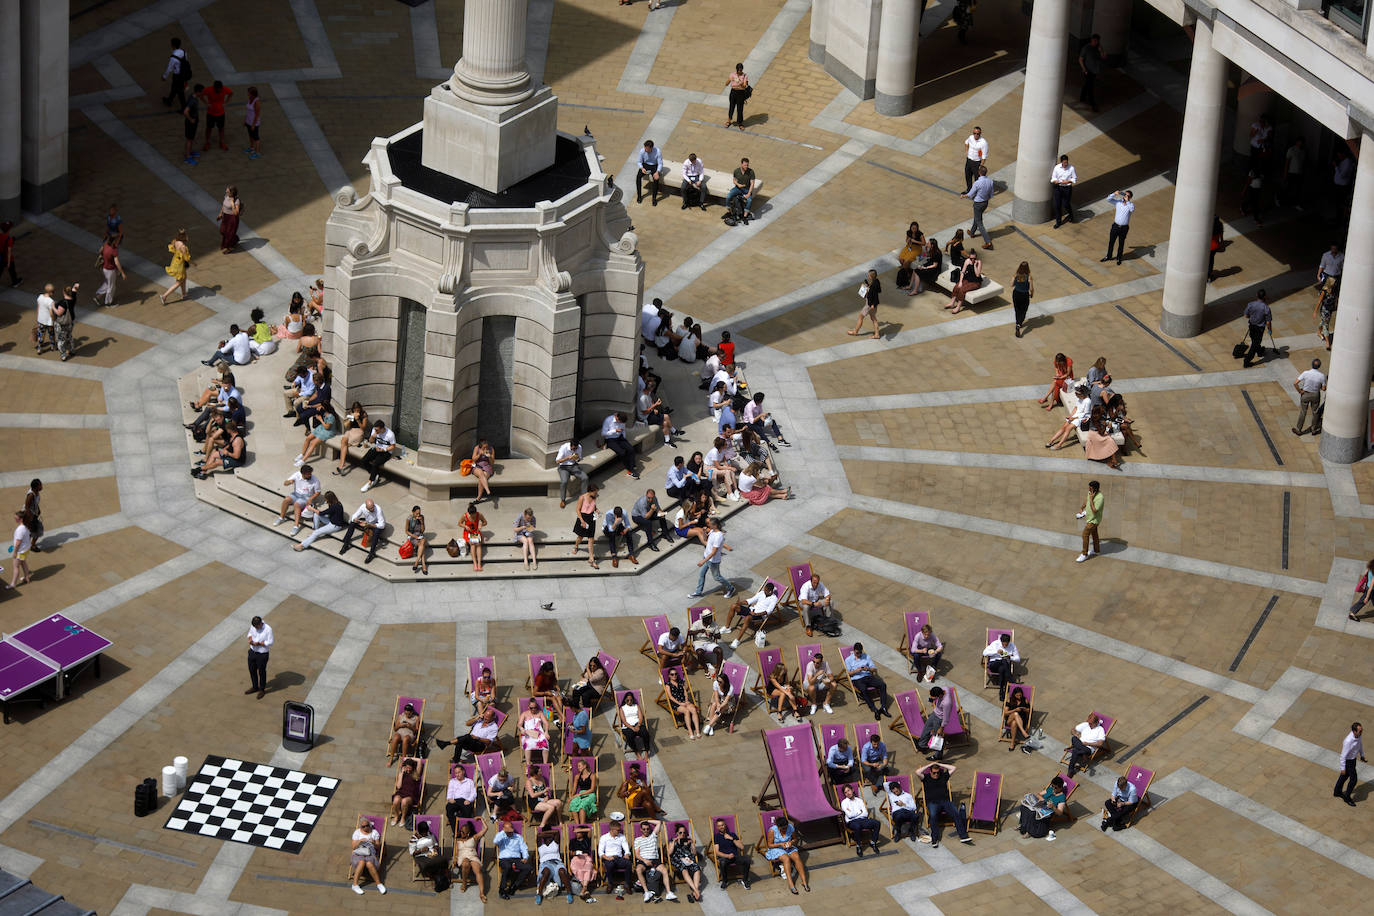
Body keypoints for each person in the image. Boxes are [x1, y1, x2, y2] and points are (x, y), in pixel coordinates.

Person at [918, 761, 972, 848]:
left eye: (938, 772)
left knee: (956, 813)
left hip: (945, 801)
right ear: (930, 772)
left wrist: (939, 764)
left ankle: (963, 836)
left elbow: (953, 768)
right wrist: (929, 765)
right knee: (933, 816)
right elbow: (917, 772)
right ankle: (935, 839)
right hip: (933, 803)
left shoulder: (943, 776)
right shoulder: (926, 778)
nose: (936, 774)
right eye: (934, 773)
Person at [632, 820, 678, 902]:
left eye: (647, 829)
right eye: (644, 829)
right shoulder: (637, 840)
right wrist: (645, 860)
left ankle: (669, 893)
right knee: (638, 869)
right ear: (641, 829)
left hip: (654, 859)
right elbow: (637, 855)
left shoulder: (653, 836)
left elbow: (659, 823)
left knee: (664, 870)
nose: (646, 830)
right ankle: (646, 892)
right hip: (643, 860)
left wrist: (646, 820)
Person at [689, 517, 735, 598]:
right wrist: (704, 532)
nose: (708, 525)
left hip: (713, 561)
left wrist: (703, 561)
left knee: (717, 577)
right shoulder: (712, 531)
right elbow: (705, 540)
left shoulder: (718, 536)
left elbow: (714, 552)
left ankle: (730, 588)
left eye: (709, 524)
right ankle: (698, 592)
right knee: (702, 574)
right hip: (707, 557)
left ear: (715, 525)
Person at [725, 580, 779, 648]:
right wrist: (740, 603)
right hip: (752, 610)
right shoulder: (761, 593)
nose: (764, 591)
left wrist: (756, 614)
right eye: (764, 589)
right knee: (733, 606)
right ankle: (727, 628)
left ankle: (737, 641)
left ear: (770, 591)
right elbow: (750, 600)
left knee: (747, 618)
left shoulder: (774, 599)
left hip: (760, 615)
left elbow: (768, 611)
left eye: (765, 590)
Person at [434, 706, 501, 760]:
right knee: (460, 742)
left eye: (487, 718)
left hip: (479, 745)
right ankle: (455, 759)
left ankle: (446, 743)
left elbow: (489, 742)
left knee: (466, 737)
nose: (485, 718)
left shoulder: (494, 728)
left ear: (492, 718)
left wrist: (478, 738)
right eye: (485, 716)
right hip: (470, 740)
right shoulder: (480, 720)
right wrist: (476, 719)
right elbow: (467, 724)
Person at [845, 642, 891, 719]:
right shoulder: (848, 660)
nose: (859, 654)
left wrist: (868, 669)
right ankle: (874, 709)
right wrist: (857, 670)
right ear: (854, 651)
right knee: (863, 690)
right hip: (857, 679)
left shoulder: (866, 656)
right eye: (857, 653)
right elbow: (848, 674)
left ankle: (883, 707)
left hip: (868, 676)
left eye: (860, 652)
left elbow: (874, 669)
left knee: (883, 685)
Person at [763, 814, 808, 894]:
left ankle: (804, 881)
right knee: (786, 858)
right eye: (783, 828)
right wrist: (780, 844)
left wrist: (791, 842)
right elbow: (769, 845)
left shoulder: (790, 827)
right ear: (778, 827)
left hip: (787, 847)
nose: (785, 830)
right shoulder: (772, 831)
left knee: (796, 857)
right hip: (776, 848)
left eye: (786, 828)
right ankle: (791, 884)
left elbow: (795, 839)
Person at [274, 465, 321, 535]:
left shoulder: (315, 480)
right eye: (308, 474)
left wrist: (311, 498)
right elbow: (285, 483)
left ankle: (296, 526)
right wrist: (289, 482)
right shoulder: (297, 475)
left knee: (297, 504)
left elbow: (318, 492)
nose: (310, 475)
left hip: (306, 497)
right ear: (303, 474)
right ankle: (281, 517)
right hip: (296, 494)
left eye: (310, 473)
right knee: (286, 500)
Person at [1017, 775, 1067, 840]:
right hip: (1040, 805)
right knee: (1024, 807)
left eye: (1056, 788)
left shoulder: (1062, 797)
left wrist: (1053, 807)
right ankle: (1023, 825)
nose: (1053, 789)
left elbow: (1060, 813)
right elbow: (1038, 794)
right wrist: (1042, 799)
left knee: (1032, 813)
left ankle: (1029, 831)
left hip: (1047, 811)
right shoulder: (1050, 789)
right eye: (1052, 786)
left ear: (1061, 788)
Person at [406, 820, 450, 893]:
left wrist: (435, 849)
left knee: (444, 859)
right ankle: (438, 877)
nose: (426, 834)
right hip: (421, 856)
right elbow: (412, 853)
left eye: (426, 832)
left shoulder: (430, 834)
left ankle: (440, 877)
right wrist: (421, 850)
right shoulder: (414, 838)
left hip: (432, 853)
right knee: (430, 863)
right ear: (420, 831)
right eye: (424, 833)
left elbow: (435, 844)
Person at [916, 685, 957, 761]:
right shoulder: (944, 688)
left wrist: (941, 728)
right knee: (926, 728)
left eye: (933, 697)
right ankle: (922, 746)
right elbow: (943, 690)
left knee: (937, 737)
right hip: (934, 714)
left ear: (939, 695)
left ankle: (938, 755)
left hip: (939, 719)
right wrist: (932, 699)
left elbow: (946, 717)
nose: (931, 698)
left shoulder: (947, 703)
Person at [339, 498, 386, 563]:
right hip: (367, 522)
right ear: (366, 507)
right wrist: (355, 519)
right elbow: (355, 515)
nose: (372, 509)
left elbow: (382, 525)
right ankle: (346, 544)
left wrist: (371, 525)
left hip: (375, 524)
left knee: (376, 533)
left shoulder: (378, 509)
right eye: (370, 508)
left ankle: (371, 553)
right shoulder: (363, 507)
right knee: (352, 523)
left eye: (373, 507)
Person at [839, 784, 882, 855]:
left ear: (852, 790)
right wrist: (859, 812)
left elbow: (865, 813)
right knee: (857, 826)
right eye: (845, 792)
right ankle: (858, 846)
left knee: (877, 823)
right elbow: (849, 815)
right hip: (852, 822)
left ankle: (873, 842)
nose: (848, 793)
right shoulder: (844, 803)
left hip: (863, 820)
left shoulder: (859, 800)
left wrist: (855, 813)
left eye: (848, 790)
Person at [533, 830, 574, 905]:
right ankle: (539, 893)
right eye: (547, 838)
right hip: (545, 863)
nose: (549, 839)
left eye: (550, 837)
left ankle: (569, 893)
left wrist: (546, 834)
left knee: (562, 871)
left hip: (557, 863)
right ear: (544, 839)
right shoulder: (540, 845)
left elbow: (557, 832)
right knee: (546, 872)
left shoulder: (555, 844)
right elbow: (538, 835)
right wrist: (550, 834)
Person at [494, 819, 532, 900]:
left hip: (516, 859)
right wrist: (504, 832)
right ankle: (502, 890)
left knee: (528, 868)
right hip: (504, 859)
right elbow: (495, 841)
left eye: (510, 828)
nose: (509, 831)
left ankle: (514, 886)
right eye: (507, 829)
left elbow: (524, 848)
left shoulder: (518, 837)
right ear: (503, 829)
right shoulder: (501, 837)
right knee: (507, 867)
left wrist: (525, 857)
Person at [349, 816, 386, 895]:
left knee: (369, 863)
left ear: (370, 825)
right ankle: (355, 885)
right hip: (358, 853)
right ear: (360, 827)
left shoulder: (374, 832)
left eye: (367, 825)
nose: (365, 828)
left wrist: (373, 843)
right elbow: (353, 847)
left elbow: (378, 847)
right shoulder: (357, 832)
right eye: (363, 826)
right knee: (361, 862)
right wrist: (360, 841)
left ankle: (379, 884)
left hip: (370, 853)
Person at [1046, 384, 1091, 450]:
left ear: (1082, 394)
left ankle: (1059, 445)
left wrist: (1074, 418)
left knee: (1068, 428)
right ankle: (1052, 440)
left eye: (1077, 393)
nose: (1075, 394)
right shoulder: (1079, 398)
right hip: (1076, 415)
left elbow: (1085, 413)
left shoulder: (1088, 401)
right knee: (1064, 427)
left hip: (1082, 418)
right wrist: (1071, 416)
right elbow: (1076, 407)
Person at [662, 667, 701, 740]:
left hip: (684, 701)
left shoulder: (681, 682)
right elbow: (670, 697)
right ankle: (690, 731)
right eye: (672, 674)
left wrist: (686, 701)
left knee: (693, 709)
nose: (674, 676)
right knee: (686, 711)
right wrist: (680, 703)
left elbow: (685, 692)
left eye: (675, 674)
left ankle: (697, 730)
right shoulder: (668, 685)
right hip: (676, 703)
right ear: (669, 676)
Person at [598, 816, 633, 900]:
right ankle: (610, 883)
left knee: (628, 863)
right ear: (612, 830)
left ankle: (627, 884)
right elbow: (600, 852)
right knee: (609, 865)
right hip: (609, 857)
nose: (619, 831)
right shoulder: (604, 837)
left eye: (619, 830)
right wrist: (607, 858)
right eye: (617, 830)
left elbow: (626, 848)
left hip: (619, 858)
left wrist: (627, 854)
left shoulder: (621, 837)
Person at [452, 819, 487, 901]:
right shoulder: (458, 840)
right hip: (462, 857)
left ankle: (482, 893)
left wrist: (481, 819)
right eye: (460, 831)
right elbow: (456, 852)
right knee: (465, 864)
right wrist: (455, 858)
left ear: (468, 833)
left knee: (478, 870)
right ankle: (464, 883)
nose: (461, 833)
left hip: (472, 856)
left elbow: (485, 829)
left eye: (463, 832)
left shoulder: (474, 837)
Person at [359, 421, 396, 492]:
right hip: (376, 448)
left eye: (377, 430)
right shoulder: (374, 430)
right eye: (375, 429)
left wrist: (384, 449)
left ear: (382, 428)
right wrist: (372, 436)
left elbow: (393, 446)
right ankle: (375, 475)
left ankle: (370, 482)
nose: (375, 431)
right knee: (364, 460)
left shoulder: (390, 434)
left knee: (375, 464)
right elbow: (370, 441)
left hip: (386, 451)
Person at [1293, 358, 1327, 436]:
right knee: (1315, 412)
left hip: (1305, 394)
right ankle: (1313, 430)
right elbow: (1323, 388)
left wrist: (1300, 391)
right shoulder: (1322, 376)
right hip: (1315, 395)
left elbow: (1295, 383)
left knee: (1303, 412)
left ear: (1312, 364)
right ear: (1319, 366)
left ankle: (1298, 429)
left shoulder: (1306, 373)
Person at [982, 632, 1020, 701]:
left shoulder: (1012, 645)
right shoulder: (995, 644)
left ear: (1009, 642)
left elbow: (1018, 659)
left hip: (1003, 666)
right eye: (1003, 644)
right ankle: (1010, 679)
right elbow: (984, 653)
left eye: (1006, 644)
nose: (1005, 646)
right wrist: (996, 652)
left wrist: (1010, 657)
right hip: (994, 664)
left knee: (1002, 668)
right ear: (1001, 641)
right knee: (1004, 661)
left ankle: (1001, 691)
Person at [1335, 722, 1366, 806]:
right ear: (1354, 731)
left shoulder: (1358, 736)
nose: (1361, 732)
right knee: (1353, 780)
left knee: (1344, 776)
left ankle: (1337, 791)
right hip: (1348, 761)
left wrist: (1362, 755)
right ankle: (1347, 797)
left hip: (1353, 760)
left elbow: (1360, 745)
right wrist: (1343, 768)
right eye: (1360, 731)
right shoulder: (1348, 741)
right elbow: (1343, 756)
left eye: (1361, 730)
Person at [525, 765, 564, 830]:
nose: (541, 773)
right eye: (539, 772)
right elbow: (532, 795)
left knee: (559, 802)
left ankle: (559, 821)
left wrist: (546, 796)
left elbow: (545, 791)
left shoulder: (541, 778)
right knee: (551, 807)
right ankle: (542, 825)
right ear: (535, 774)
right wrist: (543, 792)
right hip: (535, 801)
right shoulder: (529, 782)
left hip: (543, 799)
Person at [600, 411, 637, 479]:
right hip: (610, 439)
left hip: (620, 438)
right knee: (622, 452)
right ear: (617, 418)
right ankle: (630, 470)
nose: (621, 424)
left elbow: (623, 430)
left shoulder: (622, 420)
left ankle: (632, 466)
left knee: (631, 449)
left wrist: (624, 439)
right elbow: (603, 433)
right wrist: (615, 431)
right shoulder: (608, 420)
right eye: (620, 422)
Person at [944, 250, 982, 314]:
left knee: (962, 290)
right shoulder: (967, 261)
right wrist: (960, 282)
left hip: (975, 282)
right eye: (971, 258)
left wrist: (975, 266)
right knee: (957, 286)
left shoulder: (979, 262)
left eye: (974, 258)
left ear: (976, 258)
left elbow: (977, 275)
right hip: (967, 279)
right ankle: (952, 303)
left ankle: (958, 307)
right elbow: (962, 272)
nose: (972, 260)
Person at [1101, 190, 1133, 265]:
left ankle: (1119, 258)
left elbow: (1132, 209)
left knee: (1121, 243)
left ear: (1130, 198)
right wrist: (1114, 194)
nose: (1126, 197)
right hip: (1115, 226)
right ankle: (1108, 256)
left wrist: (1127, 201)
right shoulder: (1118, 202)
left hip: (1124, 228)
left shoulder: (1130, 205)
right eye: (1125, 195)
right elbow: (1108, 199)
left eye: (1128, 196)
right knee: (1111, 242)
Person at [93, 234, 127, 306]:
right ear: (114, 241)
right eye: (117, 240)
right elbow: (117, 262)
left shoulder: (105, 245)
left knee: (107, 283)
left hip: (105, 268)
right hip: (110, 271)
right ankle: (108, 303)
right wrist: (122, 273)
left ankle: (97, 297)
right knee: (111, 287)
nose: (119, 241)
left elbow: (100, 251)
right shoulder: (113, 250)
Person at [1242, 289, 1272, 368]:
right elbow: (1268, 322)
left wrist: (1252, 317)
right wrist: (1269, 330)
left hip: (1252, 327)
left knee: (1255, 341)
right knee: (1254, 345)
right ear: (1265, 297)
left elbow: (1246, 315)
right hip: (1259, 329)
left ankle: (1260, 351)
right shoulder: (1266, 308)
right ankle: (1246, 361)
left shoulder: (1250, 304)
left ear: (1256, 295)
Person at [848, 268, 882, 338]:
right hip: (873, 305)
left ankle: (855, 331)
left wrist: (867, 291)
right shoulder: (876, 281)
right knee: (873, 319)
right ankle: (877, 334)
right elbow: (878, 291)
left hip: (869, 305)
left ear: (871, 276)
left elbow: (873, 296)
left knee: (861, 316)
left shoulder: (873, 286)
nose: (868, 276)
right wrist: (868, 286)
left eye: (869, 275)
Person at [572, 484, 600, 568]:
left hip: (591, 518)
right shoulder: (582, 497)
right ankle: (576, 546)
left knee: (591, 539)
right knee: (580, 537)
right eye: (595, 492)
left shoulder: (594, 497)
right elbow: (577, 510)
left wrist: (596, 510)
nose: (596, 494)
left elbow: (594, 506)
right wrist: (582, 521)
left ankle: (591, 559)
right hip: (583, 517)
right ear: (590, 491)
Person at [1076, 479, 1104, 563]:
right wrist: (1082, 508)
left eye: (1090, 488)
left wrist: (1091, 499)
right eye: (1089, 488)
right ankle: (1096, 550)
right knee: (1094, 535)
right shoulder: (1090, 493)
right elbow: (1087, 500)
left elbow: (1095, 511)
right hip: (1089, 518)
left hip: (1094, 520)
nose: (1089, 489)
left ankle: (1084, 554)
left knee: (1085, 535)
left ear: (1095, 488)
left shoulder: (1100, 497)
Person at [160, 229, 192, 304]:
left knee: (184, 278)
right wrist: (193, 263)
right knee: (179, 282)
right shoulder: (183, 246)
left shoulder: (175, 241)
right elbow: (186, 258)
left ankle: (184, 294)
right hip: (180, 265)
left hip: (175, 262)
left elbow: (172, 248)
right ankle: (164, 296)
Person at [245, 615, 272, 698]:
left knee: (261, 672)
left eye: (257, 626)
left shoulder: (268, 629)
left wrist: (259, 643)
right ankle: (255, 687)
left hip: (262, 654)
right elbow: (250, 633)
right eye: (254, 626)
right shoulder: (253, 626)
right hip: (252, 652)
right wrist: (250, 639)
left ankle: (262, 689)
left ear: (261, 624)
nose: (255, 628)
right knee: (252, 670)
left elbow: (270, 642)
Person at [555, 438, 587, 508]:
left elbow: (579, 459)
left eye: (576, 448)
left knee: (585, 477)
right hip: (563, 467)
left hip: (574, 466)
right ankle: (563, 500)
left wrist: (577, 458)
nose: (575, 450)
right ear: (571, 445)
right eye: (574, 448)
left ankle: (583, 496)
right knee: (564, 481)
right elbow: (557, 461)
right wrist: (567, 458)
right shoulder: (563, 448)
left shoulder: (579, 447)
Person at [160, 37, 191, 110]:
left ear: (173, 45)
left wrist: (164, 76)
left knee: (180, 91)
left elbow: (169, 68)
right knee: (174, 88)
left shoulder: (173, 57)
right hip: (183, 74)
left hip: (177, 76)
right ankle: (169, 100)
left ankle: (184, 107)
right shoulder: (184, 52)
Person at [619, 690, 652, 758]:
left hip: (638, 724)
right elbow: (624, 721)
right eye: (627, 700)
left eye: (631, 700)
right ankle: (637, 753)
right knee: (629, 737)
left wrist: (638, 725)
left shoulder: (636, 706)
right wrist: (632, 728)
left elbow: (640, 717)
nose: (629, 701)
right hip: (628, 726)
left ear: (633, 700)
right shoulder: (622, 708)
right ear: (625, 700)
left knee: (646, 734)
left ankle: (646, 752)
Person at [798, 572, 832, 637]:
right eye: (814, 582)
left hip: (815, 600)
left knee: (829, 602)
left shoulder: (820, 584)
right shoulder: (805, 586)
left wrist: (827, 599)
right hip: (805, 602)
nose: (816, 584)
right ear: (811, 581)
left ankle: (828, 621)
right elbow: (803, 601)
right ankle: (808, 626)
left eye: (817, 583)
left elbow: (827, 594)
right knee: (806, 607)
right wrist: (813, 604)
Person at [519, 698, 551, 765]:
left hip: (539, 733)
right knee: (527, 743)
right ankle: (528, 764)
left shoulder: (540, 713)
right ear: (528, 707)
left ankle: (545, 764)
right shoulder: (524, 714)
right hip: (528, 733)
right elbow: (519, 724)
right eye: (531, 708)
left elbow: (546, 723)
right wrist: (521, 728)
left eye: (535, 707)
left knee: (545, 742)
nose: (533, 709)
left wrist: (546, 732)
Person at [390, 757, 422, 824]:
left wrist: (406, 758)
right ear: (404, 767)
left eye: (410, 768)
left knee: (404, 801)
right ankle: (396, 816)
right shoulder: (401, 774)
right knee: (396, 800)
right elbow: (398, 787)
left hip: (411, 795)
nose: (408, 769)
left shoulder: (416, 773)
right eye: (407, 767)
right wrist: (401, 774)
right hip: (401, 792)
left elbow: (419, 760)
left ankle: (403, 817)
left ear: (413, 767)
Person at [969, 165, 994, 249]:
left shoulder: (977, 183)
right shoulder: (990, 181)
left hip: (978, 204)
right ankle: (972, 232)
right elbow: (991, 195)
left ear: (979, 173)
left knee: (979, 222)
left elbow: (970, 194)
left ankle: (988, 242)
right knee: (977, 217)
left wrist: (964, 195)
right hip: (985, 203)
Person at [703, 669, 735, 735]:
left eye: (720, 682)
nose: (718, 683)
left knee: (721, 708)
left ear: (724, 682)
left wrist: (720, 706)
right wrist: (718, 704)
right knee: (714, 704)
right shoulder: (716, 683)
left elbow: (726, 701)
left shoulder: (730, 688)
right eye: (718, 680)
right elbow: (716, 696)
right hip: (720, 699)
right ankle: (711, 727)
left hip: (729, 702)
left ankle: (709, 725)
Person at [803, 650, 835, 715]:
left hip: (820, 682)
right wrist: (817, 675)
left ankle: (826, 703)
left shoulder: (825, 664)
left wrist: (828, 681)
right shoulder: (810, 665)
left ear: (821, 662)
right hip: (808, 683)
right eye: (814, 661)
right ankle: (814, 704)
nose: (815, 664)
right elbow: (810, 682)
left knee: (834, 684)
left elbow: (831, 677)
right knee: (812, 688)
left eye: (817, 663)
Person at [445, 763, 477, 827]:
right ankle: (455, 828)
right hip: (455, 801)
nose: (457, 774)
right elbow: (450, 792)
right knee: (448, 808)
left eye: (459, 772)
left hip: (465, 801)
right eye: (456, 773)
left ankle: (463, 826)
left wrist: (469, 800)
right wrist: (450, 798)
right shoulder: (452, 781)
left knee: (467, 811)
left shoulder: (469, 781)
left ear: (463, 772)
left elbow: (474, 793)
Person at [51, 284, 76, 361]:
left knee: (61, 340)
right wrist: (75, 287)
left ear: (64, 292)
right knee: (69, 336)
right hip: (70, 322)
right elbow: (75, 290)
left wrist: (53, 306)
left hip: (62, 324)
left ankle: (63, 355)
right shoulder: (73, 299)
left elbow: (59, 313)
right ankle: (72, 350)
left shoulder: (63, 303)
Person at [1078, 33, 1103, 110]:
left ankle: (1082, 97)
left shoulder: (1099, 48)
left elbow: (1104, 57)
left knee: (1087, 84)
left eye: (1097, 41)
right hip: (1088, 71)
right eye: (1094, 40)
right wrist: (1084, 69)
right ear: (1091, 40)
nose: (1095, 42)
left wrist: (1101, 51)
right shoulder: (1086, 48)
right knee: (1090, 87)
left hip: (1095, 71)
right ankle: (1092, 104)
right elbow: (1080, 59)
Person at [1051, 154, 1077, 227]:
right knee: (1057, 205)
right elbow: (1053, 178)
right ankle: (1058, 222)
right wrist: (1055, 181)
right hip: (1058, 187)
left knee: (1066, 204)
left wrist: (1067, 181)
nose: (1065, 164)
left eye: (1066, 162)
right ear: (1061, 162)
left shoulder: (1071, 168)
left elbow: (1074, 179)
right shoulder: (1057, 168)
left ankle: (1071, 215)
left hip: (1067, 188)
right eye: (1064, 162)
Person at [1003, 686, 1031, 751]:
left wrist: (1024, 709)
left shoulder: (1025, 700)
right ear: (1014, 694)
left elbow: (1029, 711)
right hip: (1009, 720)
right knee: (1015, 714)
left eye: (1020, 695)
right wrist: (1015, 710)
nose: (1019, 697)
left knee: (1014, 722)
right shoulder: (1010, 700)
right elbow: (1005, 713)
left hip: (1021, 721)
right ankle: (1023, 732)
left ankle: (1012, 743)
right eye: (1017, 695)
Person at [962, 126, 988, 195]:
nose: (976, 135)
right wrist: (967, 151)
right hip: (969, 160)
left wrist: (981, 166)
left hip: (977, 162)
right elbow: (966, 142)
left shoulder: (983, 142)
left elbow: (984, 156)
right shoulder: (970, 138)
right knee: (968, 175)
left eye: (977, 134)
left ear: (980, 134)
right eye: (974, 133)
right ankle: (969, 190)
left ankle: (977, 193)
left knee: (977, 179)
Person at [636, 139, 663, 205]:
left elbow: (660, 163)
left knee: (656, 179)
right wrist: (642, 168)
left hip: (654, 166)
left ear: (651, 148)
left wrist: (657, 172)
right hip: (645, 165)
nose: (645, 149)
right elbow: (639, 162)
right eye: (645, 148)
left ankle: (654, 198)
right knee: (638, 177)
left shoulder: (657, 151)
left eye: (647, 149)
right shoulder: (642, 151)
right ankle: (639, 196)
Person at [1011, 261, 1034, 338]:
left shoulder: (1016, 275)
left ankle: (1018, 323)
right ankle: (1019, 323)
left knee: (1017, 309)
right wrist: (1032, 294)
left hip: (1016, 293)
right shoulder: (1029, 277)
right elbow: (1031, 288)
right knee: (1024, 310)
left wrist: (1017, 283)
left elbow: (1011, 284)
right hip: (1024, 295)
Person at [181, 84, 202, 165]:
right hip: (191, 122)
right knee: (189, 139)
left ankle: (189, 152)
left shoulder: (192, 96)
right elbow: (185, 112)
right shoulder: (192, 101)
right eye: (201, 92)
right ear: (198, 92)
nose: (202, 94)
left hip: (193, 121)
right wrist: (191, 120)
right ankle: (188, 157)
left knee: (191, 138)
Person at [216, 185, 241, 252]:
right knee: (222, 231)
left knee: (229, 233)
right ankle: (235, 239)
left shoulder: (236, 200)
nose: (226, 192)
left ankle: (229, 247)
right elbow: (224, 205)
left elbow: (236, 213)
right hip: (225, 217)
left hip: (232, 218)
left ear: (232, 193)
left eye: (227, 191)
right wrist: (220, 213)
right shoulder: (226, 196)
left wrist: (232, 204)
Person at [406, 506, 428, 575]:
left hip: (420, 535)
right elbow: (406, 531)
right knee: (422, 546)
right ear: (413, 512)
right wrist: (415, 536)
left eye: (419, 513)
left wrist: (421, 522)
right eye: (416, 513)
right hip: (412, 536)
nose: (418, 515)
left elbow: (422, 530)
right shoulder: (409, 519)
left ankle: (417, 561)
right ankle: (423, 565)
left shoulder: (422, 517)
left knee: (423, 541)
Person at [726, 63, 749, 129]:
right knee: (731, 107)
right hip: (733, 92)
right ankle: (729, 120)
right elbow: (726, 84)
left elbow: (744, 86)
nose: (739, 71)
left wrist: (740, 82)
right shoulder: (732, 74)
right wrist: (730, 79)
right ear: (736, 69)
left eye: (741, 70)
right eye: (738, 70)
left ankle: (740, 123)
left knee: (740, 108)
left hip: (741, 93)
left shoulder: (745, 76)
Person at [34, 284, 55, 354]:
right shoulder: (51, 301)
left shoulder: (40, 297)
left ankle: (39, 348)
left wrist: (37, 317)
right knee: (51, 334)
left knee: (41, 335)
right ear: (51, 292)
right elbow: (51, 313)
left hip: (41, 320)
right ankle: (52, 346)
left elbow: (38, 307)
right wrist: (53, 320)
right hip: (49, 322)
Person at [21, 480, 43, 552]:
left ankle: (26, 544)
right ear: (35, 487)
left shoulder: (36, 492)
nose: (41, 486)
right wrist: (30, 519)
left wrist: (38, 510)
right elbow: (27, 507)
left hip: (33, 515)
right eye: (40, 485)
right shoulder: (31, 495)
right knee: (38, 530)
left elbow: (35, 503)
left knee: (31, 531)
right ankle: (32, 546)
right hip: (29, 516)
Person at [243, 85, 263, 159]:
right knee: (250, 135)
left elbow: (257, 114)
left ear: (253, 94)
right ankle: (252, 148)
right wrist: (245, 120)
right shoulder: (250, 99)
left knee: (256, 137)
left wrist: (253, 125)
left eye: (249, 93)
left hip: (254, 123)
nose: (247, 94)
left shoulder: (256, 102)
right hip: (248, 121)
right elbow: (248, 111)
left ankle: (257, 153)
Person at [0, 220, 21, 287]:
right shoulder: (9, 239)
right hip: (7, 259)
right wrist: (8, 263)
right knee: (12, 271)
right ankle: (15, 282)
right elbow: (9, 252)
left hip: (0, 258)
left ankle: (15, 281)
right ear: (9, 229)